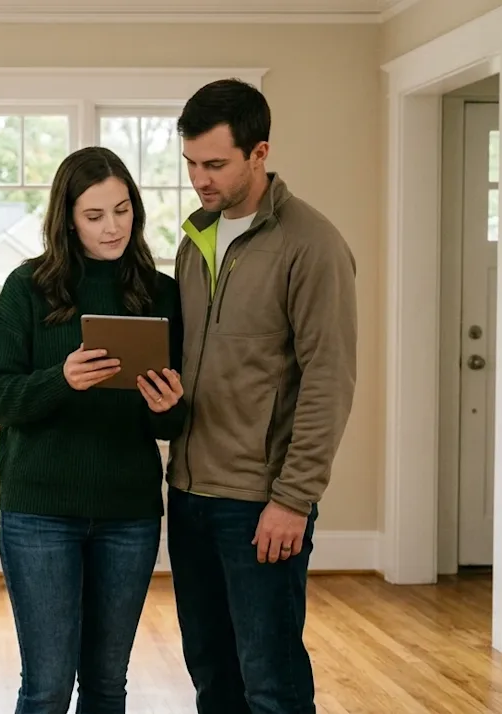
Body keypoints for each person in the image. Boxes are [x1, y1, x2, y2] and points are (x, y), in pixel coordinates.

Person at [165, 78, 357, 714]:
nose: (200, 179)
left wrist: (293, 499)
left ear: (259, 152)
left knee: (270, 680)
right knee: (212, 676)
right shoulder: (194, 241)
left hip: (259, 506)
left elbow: (328, 379)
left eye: (215, 164)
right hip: (188, 495)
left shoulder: (312, 244)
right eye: (191, 163)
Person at [0, 145, 187, 714]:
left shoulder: (162, 292)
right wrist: (61, 379)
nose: (113, 227)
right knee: (45, 688)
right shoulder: (28, 287)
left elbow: (170, 423)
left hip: (129, 513)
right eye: (95, 216)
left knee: (106, 684)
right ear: (67, 218)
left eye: (122, 210)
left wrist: (168, 405)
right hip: (40, 513)